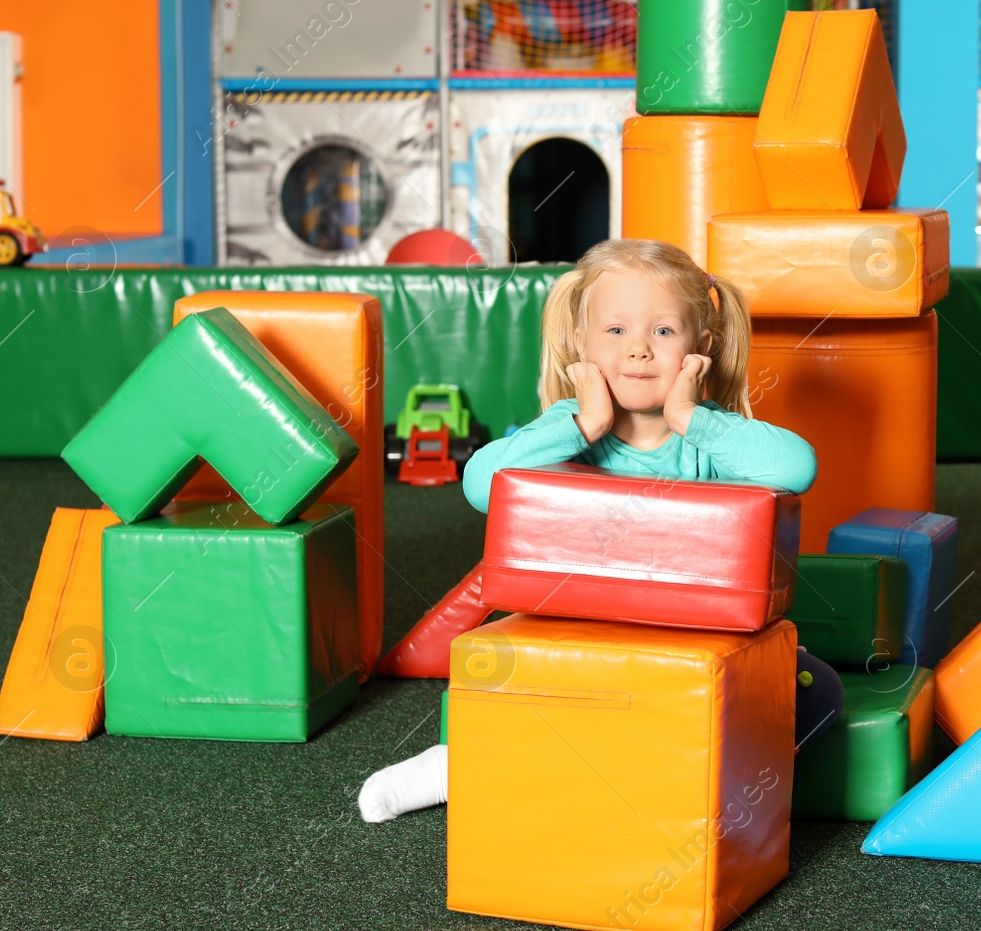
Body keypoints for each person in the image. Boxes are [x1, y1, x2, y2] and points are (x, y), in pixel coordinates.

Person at [358, 238, 840, 823]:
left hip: (690, 646)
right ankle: (460, 762)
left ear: (701, 347)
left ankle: (693, 773)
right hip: (580, 639)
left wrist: (691, 418)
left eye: (663, 332)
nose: (638, 350)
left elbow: (798, 467)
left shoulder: (711, 435)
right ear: (581, 344)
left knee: (819, 690)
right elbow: (481, 484)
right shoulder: (570, 426)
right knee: (524, 684)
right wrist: (585, 422)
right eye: (614, 331)